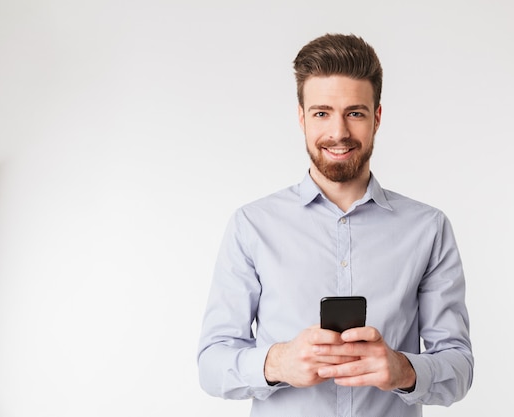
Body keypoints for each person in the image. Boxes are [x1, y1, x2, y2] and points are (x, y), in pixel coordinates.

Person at [197, 33, 473, 416]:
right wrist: (278, 363)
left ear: (377, 117)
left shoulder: (428, 228)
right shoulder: (252, 225)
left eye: (355, 113)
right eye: (322, 112)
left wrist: (403, 369)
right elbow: (211, 364)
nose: (339, 132)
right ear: (301, 117)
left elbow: (459, 367)